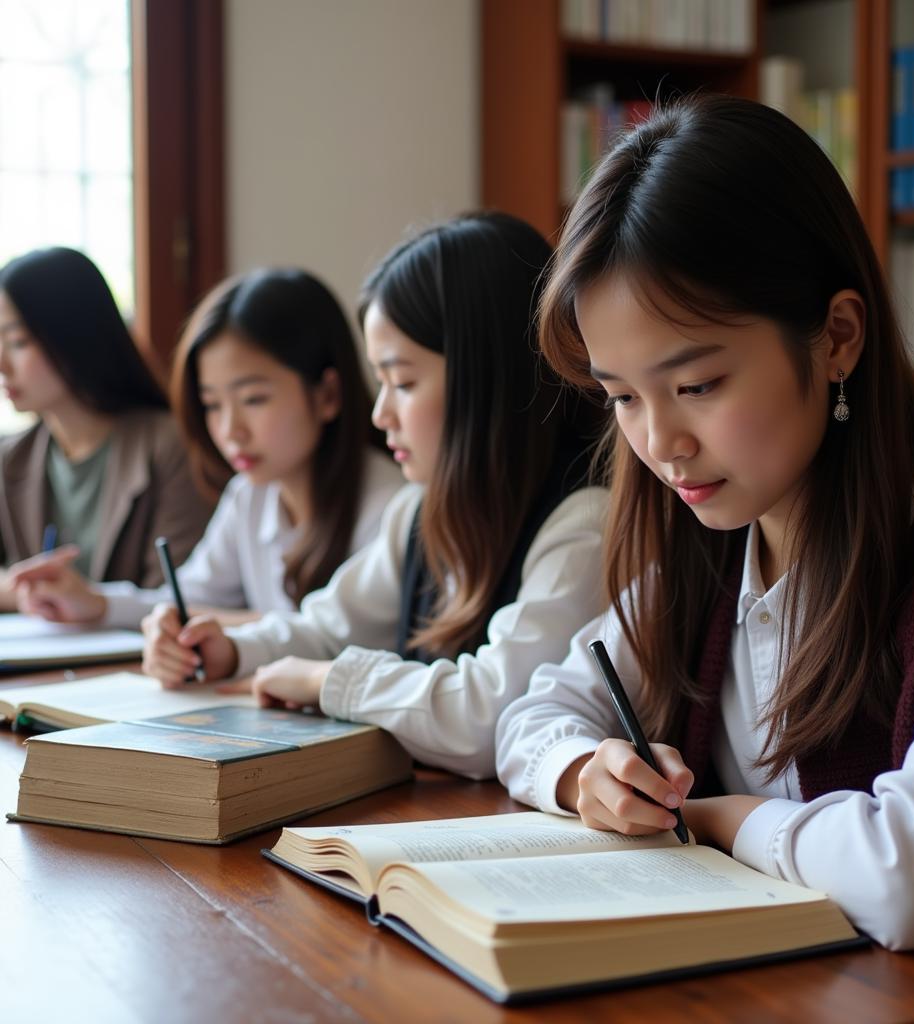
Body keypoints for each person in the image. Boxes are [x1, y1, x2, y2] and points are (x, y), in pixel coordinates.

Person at [495, 95, 914, 985]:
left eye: (696, 385)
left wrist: (719, 820)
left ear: (837, 339)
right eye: (623, 396)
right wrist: (586, 768)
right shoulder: (706, 556)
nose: (660, 444)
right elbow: (532, 717)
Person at [141, 212, 610, 780]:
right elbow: (328, 627)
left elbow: (489, 715)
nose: (379, 413)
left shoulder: (582, 522)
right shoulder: (419, 511)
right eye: (380, 381)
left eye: (404, 382)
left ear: (487, 379)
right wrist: (229, 651)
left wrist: (328, 681)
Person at [9, 268, 404, 626]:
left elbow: (329, 638)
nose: (230, 430)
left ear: (328, 395)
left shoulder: (391, 508)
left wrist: (213, 629)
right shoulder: (250, 495)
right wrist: (97, 603)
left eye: (253, 399)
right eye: (212, 405)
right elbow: (186, 600)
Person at [0, 246, 209, 609]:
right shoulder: (9, 457)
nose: (2, 363)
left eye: (18, 341)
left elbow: (180, 597)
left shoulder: (170, 446)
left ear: (75, 335)